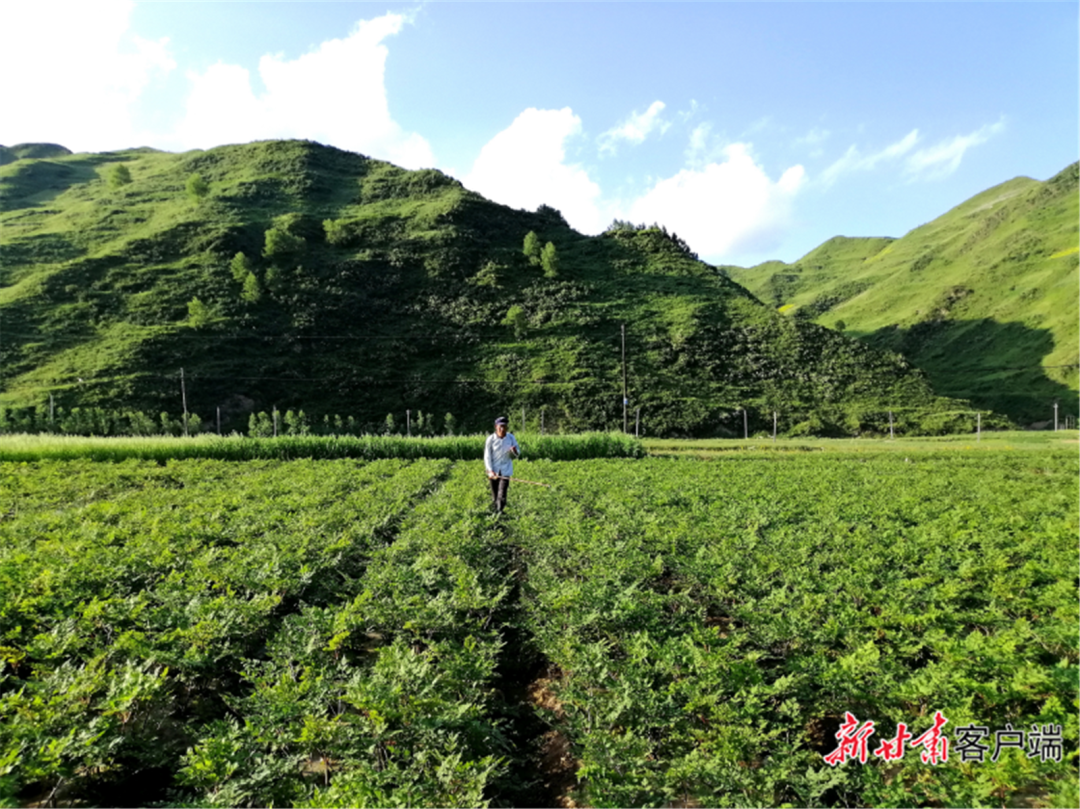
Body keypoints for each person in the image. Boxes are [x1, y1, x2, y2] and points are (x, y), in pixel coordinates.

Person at [484, 416, 520, 514]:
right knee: (495, 494)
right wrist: (490, 470)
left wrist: (514, 451)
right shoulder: (490, 439)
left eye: (504, 426)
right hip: (493, 470)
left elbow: (517, 453)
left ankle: (500, 511)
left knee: (502, 493)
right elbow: (487, 456)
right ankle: (496, 512)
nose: (502, 429)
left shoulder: (511, 438)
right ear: (496, 427)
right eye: (500, 426)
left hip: (505, 470)